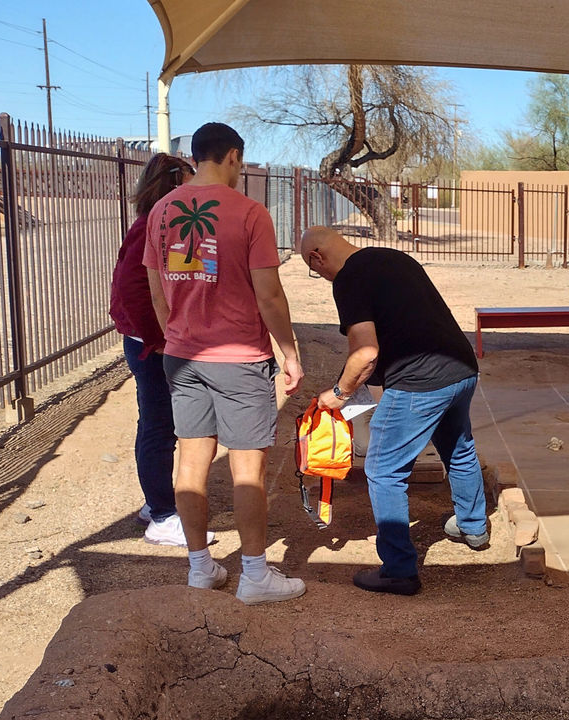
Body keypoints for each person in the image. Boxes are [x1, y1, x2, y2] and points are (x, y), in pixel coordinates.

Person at [142, 122, 306, 605]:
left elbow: (156, 293)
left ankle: (200, 567)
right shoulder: (250, 213)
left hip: (182, 355)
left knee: (190, 462)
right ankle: (254, 573)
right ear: (233, 156)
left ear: (196, 156)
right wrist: (290, 352)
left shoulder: (160, 212)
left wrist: (182, 330)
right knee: (247, 468)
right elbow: (269, 294)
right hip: (239, 358)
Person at [300, 225, 487, 597]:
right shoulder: (392, 257)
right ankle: (474, 526)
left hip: (422, 382)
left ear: (317, 258)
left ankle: (399, 570)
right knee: (458, 447)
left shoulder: (349, 279)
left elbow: (365, 352)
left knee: (383, 468)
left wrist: (339, 393)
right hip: (461, 369)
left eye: (313, 269)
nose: (319, 275)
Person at [110, 152, 217, 547]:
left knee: (162, 425)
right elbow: (132, 288)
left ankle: (156, 503)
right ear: (174, 183)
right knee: (158, 427)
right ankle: (162, 516)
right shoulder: (151, 225)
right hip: (151, 346)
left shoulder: (167, 223)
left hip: (160, 342)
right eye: (191, 179)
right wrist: (158, 338)